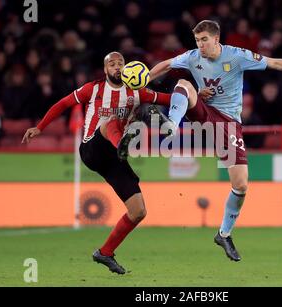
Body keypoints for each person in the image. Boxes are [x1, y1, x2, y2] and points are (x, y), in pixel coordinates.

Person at [146, 20, 282, 261]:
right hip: (203, 113)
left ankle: (224, 234)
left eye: (204, 40)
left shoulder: (238, 56)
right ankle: (171, 125)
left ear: (216, 39)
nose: (200, 45)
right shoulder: (191, 57)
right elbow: (167, 64)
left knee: (241, 185)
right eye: (197, 40)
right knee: (184, 84)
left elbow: (274, 63)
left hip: (228, 123)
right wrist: (143, 79)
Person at [22, 52, 171, 274]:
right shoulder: (93, 89)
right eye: (112, 64)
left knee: (138, 211)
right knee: (110, 121)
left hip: (113, 159)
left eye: (121, 63)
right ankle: (129, 136)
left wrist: (196, 96)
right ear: (105, 69)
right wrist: (40, 127)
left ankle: (105, 253)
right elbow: (63, 104)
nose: (117, 67)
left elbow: (170, 99)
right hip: (92, 148)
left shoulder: (137, 91)